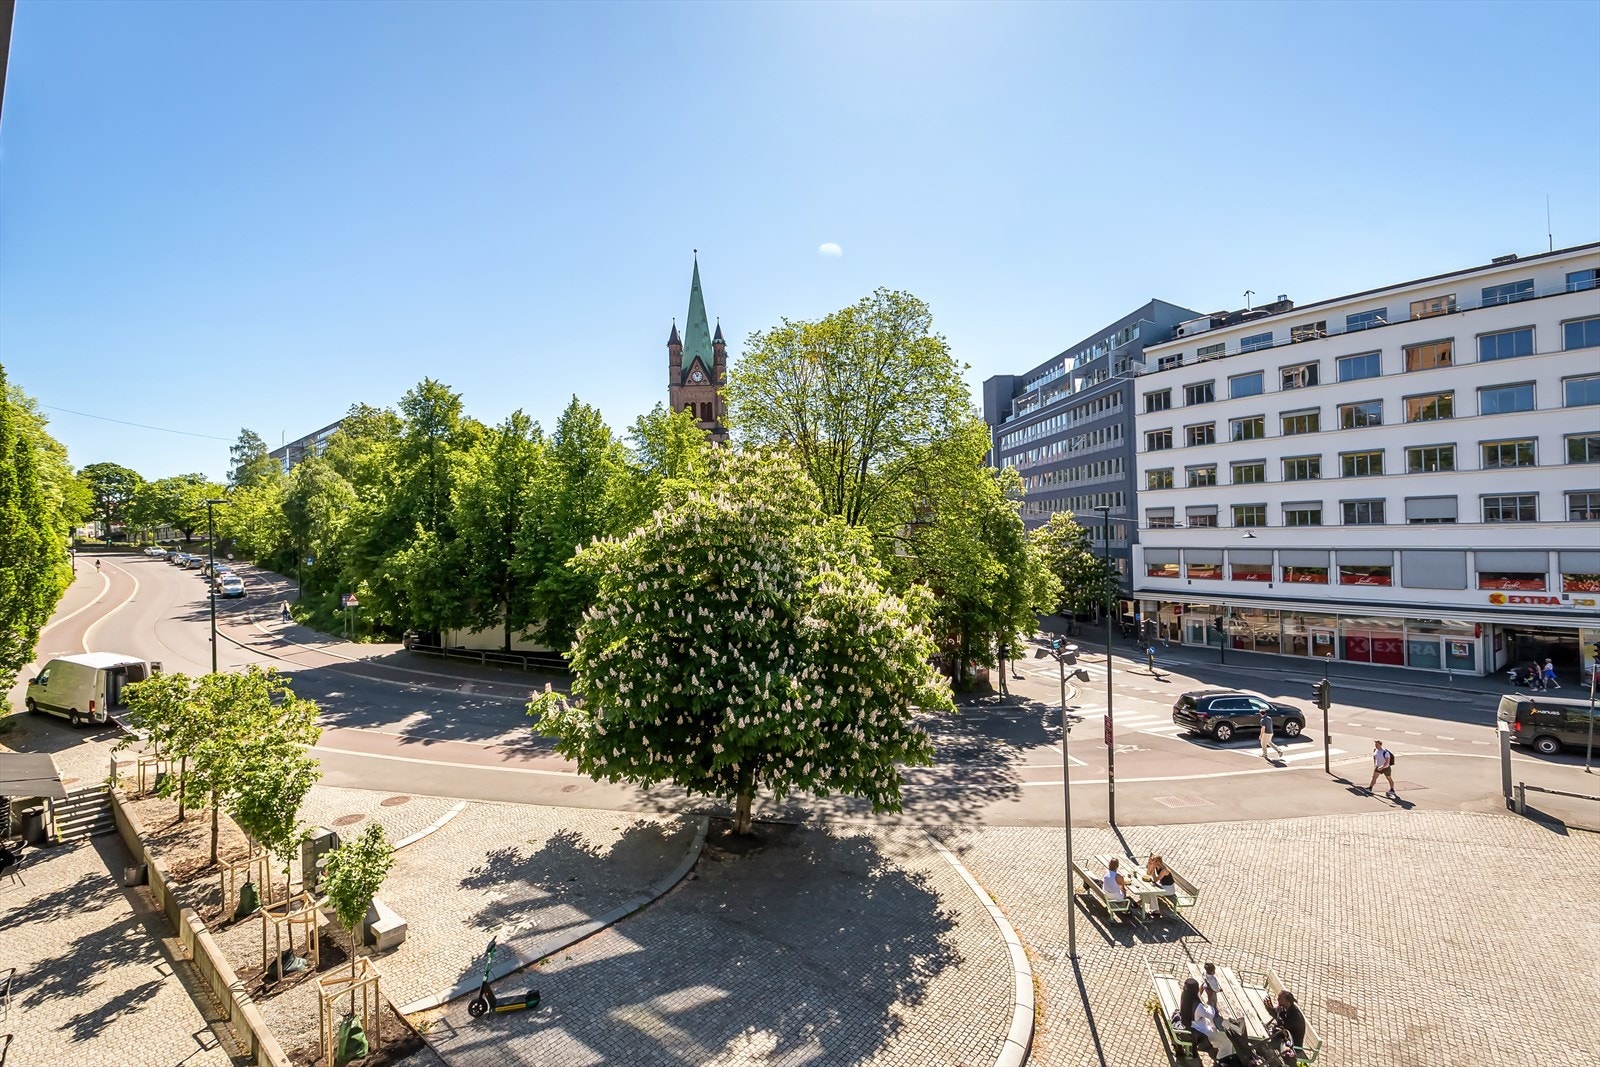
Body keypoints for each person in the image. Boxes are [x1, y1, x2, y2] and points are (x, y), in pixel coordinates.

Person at [1178, 977, 1238, 1062]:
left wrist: (1201, 990)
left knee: (1217, 1033)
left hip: (1190, 1025)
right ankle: (1222, 1059)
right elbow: (1211, 1014)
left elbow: (1195, 996)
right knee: (1227, 1038)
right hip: (1200, 1031)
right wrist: (1210, 997)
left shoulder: (1185, 995)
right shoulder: (1198, 1007)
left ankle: (1216, 1048)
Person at [1263, 989, 1308, 1059]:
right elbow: (1277, 1016)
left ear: (1288, 1002)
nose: (1278, 999)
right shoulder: (1284, 1007)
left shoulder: (1295, 1016)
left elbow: (1283, 1026)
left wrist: (1276, 1014)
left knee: (1269, 1041)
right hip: (1284, 1035)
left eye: (1280, 998)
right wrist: (1270, 1008)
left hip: (1293, 1043)